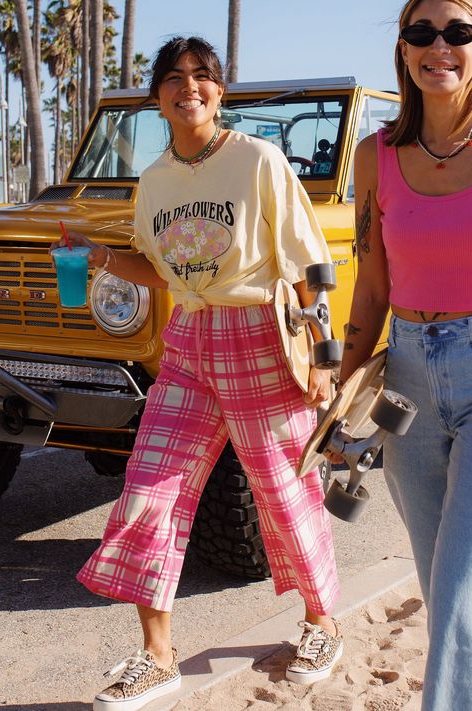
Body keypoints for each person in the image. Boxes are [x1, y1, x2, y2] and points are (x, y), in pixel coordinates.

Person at [52, 36, 343, 711]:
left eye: (203, 76)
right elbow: (160, 269)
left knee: (282, 488)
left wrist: (325, 361)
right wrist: (99, 253)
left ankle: (322, 622)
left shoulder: (258, 161)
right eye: (175, 78)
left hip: (259, 338)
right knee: (148, 488)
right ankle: (157, 658)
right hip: (188, 338)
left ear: (219, 90)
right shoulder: (154, 180)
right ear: (158, 96)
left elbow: (309, 266)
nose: (191, 87)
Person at [337, 1, 472, 709]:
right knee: (442, 582)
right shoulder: (376, 155)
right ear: (403, 47)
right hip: (409, 378)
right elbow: (371, 286)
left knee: (457, 595)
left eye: (458, 32)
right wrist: (340, 397)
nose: (439, 46)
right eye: (422, 32)